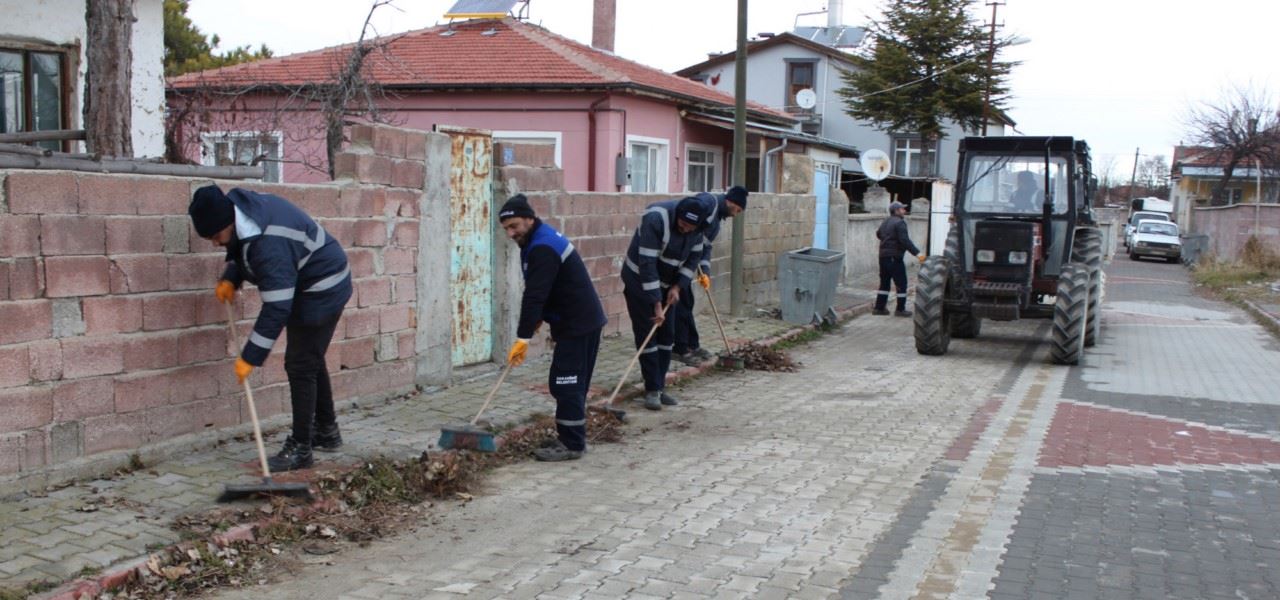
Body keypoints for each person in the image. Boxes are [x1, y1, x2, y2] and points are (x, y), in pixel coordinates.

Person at [188, 185, 352, 472]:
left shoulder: (268, 244)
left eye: (215, 236)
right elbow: (242, 245)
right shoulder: (242, 212)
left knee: (300, 364)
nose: (215, 243)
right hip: (311, 277)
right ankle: (326, 431)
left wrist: (250, 357)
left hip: (323, 285)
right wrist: (232, 276)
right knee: (310, 357)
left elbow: (277, 307)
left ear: (227, 221)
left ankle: (301, 449)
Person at [500, 195, 607, 462]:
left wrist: (523, 337)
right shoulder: (537, 239)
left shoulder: (542, 246)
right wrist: (538, 319)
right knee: (572, 383)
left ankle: (572, 445)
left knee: (565, 382)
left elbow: (535, 294)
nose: (511, 233)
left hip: (577, 324)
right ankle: (571, 436)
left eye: (514, 226)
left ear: (529, 219)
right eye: (506, 229)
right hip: (579, 321)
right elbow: (549, 287)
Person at [621, 196, 710, 410]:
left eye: (691, 227)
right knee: (649, 334)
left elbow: (693, 260)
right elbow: (647, 264)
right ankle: (651, 389)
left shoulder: (698, 229)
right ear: (678, 215)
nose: (686, 229)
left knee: (667, 336)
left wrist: (678, 287)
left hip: (668, 283)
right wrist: (656, 304)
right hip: (640, 281)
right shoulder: (655, 219)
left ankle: (660, 387)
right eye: (683, 224)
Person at [673, 186, 748, 366]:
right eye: (737, 210)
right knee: (683, 304)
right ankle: (681, 348)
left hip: (689, 261)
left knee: (687, 303)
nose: (736, 214)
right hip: (678, 258)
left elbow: (705, 246)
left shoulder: (717, 218)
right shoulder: (707, 203)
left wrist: (705, 272)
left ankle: (692, 345)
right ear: (731, 202)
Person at [874, 201, 925, 317]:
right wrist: (918, 254)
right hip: (894, 257)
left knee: (884, 283)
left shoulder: (886, 221)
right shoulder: (900, 223)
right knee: (901, 283)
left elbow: (878, 234)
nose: (905, 211)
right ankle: (900, 310)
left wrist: (887, 240)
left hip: (883, 256)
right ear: (896, 211)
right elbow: (905, 241)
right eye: (902, 209)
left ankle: (879, 308)